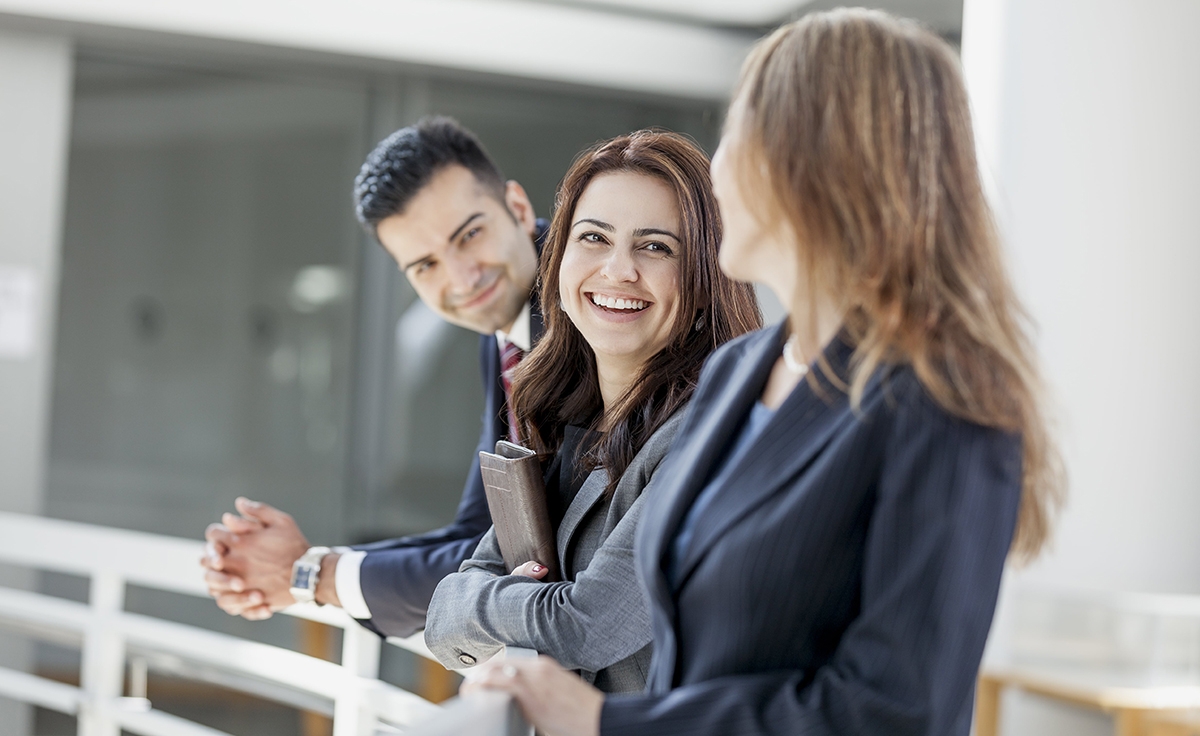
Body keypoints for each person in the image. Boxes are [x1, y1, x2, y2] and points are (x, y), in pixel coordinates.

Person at [464, 9, 1065, 736]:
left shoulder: (944, 408)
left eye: (738, 135)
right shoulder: (739, 373)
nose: (716, 171)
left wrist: (608, 723)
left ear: (814, 165)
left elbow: (893, 712)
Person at [424, 130, 761, 693]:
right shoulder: (562, 417)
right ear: (558, 260)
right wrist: (483, 600)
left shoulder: (709, 433)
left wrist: (471, 599)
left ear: (705, 283)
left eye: (656, 247)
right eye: (594, 238)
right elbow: (444, 622)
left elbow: (589, 626)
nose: (618, 270)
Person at [200, 116, 548, 637]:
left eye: (469, 234)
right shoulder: (501, 336)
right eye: (425, 265)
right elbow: (485, 532)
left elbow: (527, 558)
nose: (461, 277)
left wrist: (312, 575)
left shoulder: (585, 312)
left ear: (518, 209)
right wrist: (308, 566)